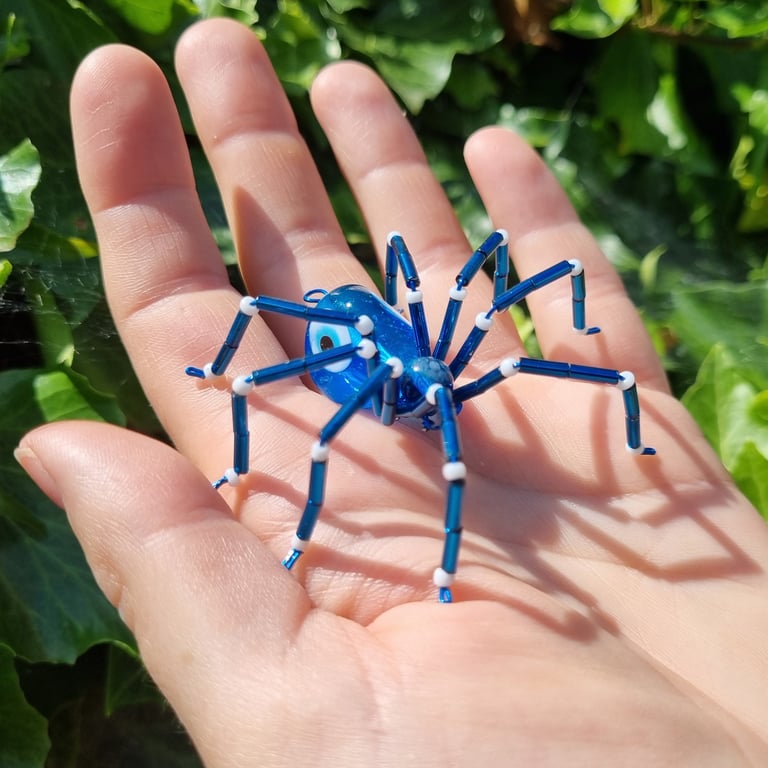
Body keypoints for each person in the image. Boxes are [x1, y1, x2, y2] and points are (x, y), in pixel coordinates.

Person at [14, 18, 768, 766]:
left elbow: (493, 282)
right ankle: (261, 437)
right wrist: (285, 503)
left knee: (502, 325)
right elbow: (313, 427)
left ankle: (445, 562)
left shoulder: (456, 376)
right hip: (359, 358)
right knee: (268, 383)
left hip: (409, 356)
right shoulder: (378, 387)